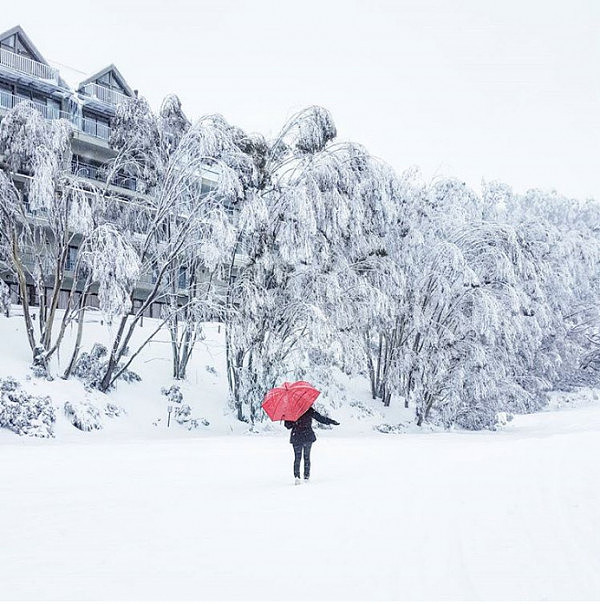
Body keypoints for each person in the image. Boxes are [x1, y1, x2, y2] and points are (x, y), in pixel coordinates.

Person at [284, 406, 340, 484]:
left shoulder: (291, 410)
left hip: (297, 436)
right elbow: (320, 418)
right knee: (306, 457)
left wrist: (293, 421)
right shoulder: (308, 409)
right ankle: (305, 477)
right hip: (307, 436)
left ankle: (297, 477)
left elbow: (287, 426)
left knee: (298, 458)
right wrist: (331, 421)